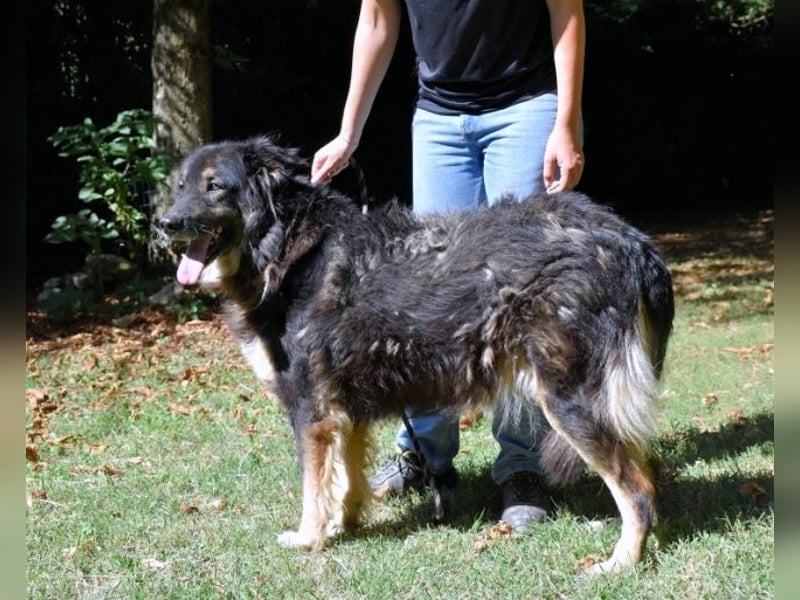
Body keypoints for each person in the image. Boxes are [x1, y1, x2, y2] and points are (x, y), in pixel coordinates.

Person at [311, 0, 585, 533]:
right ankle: (422, 452)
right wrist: (348, 132)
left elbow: (567, 12)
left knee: (523, 293)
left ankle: (523, 465)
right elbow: (376, 20)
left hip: (525, 110)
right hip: (437, 119)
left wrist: (566, 122)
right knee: (427, 295)